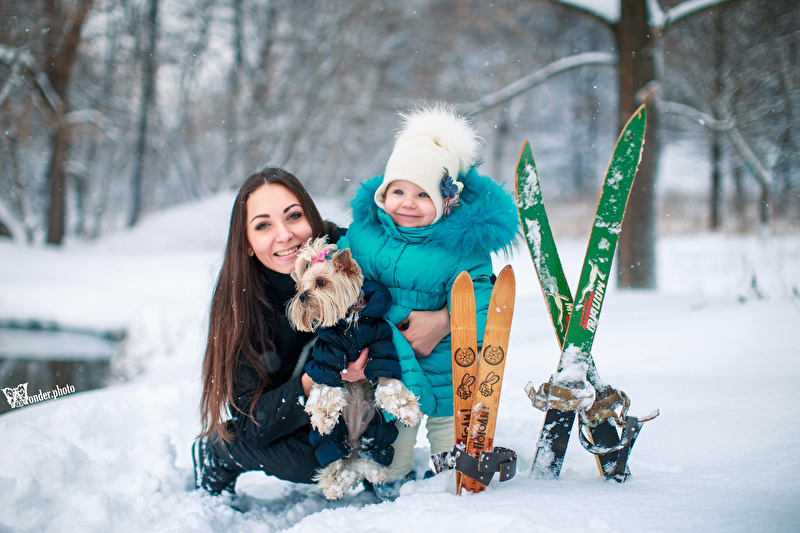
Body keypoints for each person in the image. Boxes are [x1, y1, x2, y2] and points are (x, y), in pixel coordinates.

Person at [191, 168, 448, 496]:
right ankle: (218, 450)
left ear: (311, 218)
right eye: (263, 225)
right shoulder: (243, 306)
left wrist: (445, 319)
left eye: (293, 216)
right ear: (247, 244)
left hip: (363, 399)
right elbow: (250, 424)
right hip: (292, 412)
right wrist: (317, 379)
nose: (284, 235)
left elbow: (453, 273)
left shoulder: (351, 250)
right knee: (314, 460)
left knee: (372, 445)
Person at [337, 103, 520, 491]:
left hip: (448, 367)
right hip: (390, 367)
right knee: (395, 437)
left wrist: (445, 320)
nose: (408, 202)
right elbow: (339, 274)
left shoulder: (461, 249)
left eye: (423, 194)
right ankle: (391, 484)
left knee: (449, 436)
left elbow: (485, 305)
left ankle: (451, 486)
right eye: (398, 190)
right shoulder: (364, 235)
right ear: (383, 193)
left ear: (446, 201)